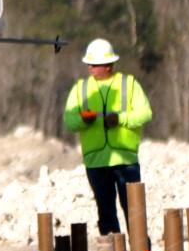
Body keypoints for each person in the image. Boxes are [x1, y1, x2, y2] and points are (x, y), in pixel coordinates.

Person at [62, 39, 153, 240]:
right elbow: (69, 122)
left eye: (94, 64)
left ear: (108, 65)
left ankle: (141, 250)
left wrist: (121, 119)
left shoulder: (128, 84)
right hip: (96, 161)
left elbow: (145, 113)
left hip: (124, 160)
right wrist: (85, 120)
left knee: (134, 210)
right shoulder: (81, 88)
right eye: (89, 64)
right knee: (106, 212)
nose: (90, 67)